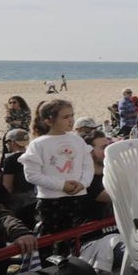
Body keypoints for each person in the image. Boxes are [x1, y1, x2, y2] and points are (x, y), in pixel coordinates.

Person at [20, 100, 94, 259]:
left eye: (72, 116)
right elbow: (32, 174)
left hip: (77, 197)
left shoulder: (77, 140)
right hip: (51, 200)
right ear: (48, 120)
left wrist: (83, 183)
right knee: (50, 240)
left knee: (74, 238)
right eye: (65, 117)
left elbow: (88, 166)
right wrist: (61, 185)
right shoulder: (38, 144)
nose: (71, 120)